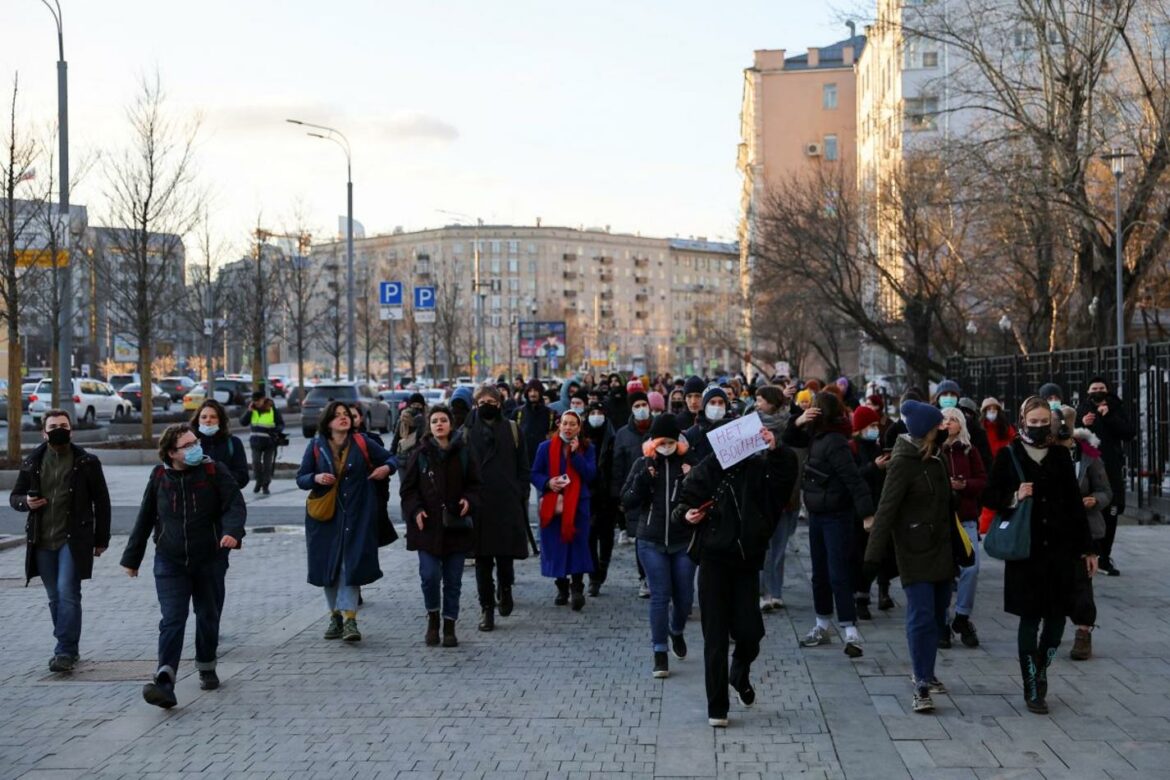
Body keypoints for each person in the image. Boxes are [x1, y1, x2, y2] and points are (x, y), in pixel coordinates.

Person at [673, 424, 798, 727]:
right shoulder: (709, 468)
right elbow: (682, 503)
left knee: (750, 632)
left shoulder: (760, 469)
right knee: (714, 638)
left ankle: (739, 672)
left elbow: (785, 480)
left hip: (746, 561)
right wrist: (687, 514)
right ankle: (717, 706)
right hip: (713, 561)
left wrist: (776, 448)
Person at [982, 396, 1096, 714]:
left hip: (1061, 552)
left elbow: (1074, 506)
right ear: (1022, 421)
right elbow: (989, 495)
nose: (1038, 426)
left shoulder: (1060, 456)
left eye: (1043, 421)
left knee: (1057, 622)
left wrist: (1088, 549)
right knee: (1030, 619)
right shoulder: (1009, 455)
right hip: (1026, 554)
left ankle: (1042, 670)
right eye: (1032, 422)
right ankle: (1032, 685)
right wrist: (1014, 496)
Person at [121, 423, 246, 708]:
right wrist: (132, 558)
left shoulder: (214, 472)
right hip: (170, 559)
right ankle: (165, 680)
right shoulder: (159, 477)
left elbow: (235, 506)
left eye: (195, 443)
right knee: (173, 619)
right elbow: (145, 517)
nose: (195, 448)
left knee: (207, 613)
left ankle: (206, 664)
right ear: (170, 453)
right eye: (187, 446)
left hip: (210, 557)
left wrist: (232, 532)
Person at [864, 401, 955, 714]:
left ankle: (927, 671)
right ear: (926, 430)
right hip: (914, 549)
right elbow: (886, 509)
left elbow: (947, 508)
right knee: (921, 614)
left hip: (942, 549)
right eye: (939, 426)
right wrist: (872, 559)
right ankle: (920, 683)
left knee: (939, 613)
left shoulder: (937, 458)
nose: (945, 429)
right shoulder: (903, 461)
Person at [11, 410, 112, 674]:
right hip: (42, 538)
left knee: (68, 592)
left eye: (63, 425)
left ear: (71, 430)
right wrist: (26, 502)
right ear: (44, 432)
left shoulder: (87, 462)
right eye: (53, 426)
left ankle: (64, 650)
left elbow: (101, 502)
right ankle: (69, 645)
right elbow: (15, 496)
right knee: (55, 596)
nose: (59, 429)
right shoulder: (33, 461)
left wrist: (101, 539)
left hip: (74, 538)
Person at [296, 401, 395, 643]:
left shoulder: (362, 443)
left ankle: (350, 619)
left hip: (357, 515)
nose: (343, 418)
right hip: (325, 518)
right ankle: (334, 616)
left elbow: (392, 459)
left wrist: (385, 469)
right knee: (328, 569)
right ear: (328, 422)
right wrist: (316, 477)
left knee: (348, 566)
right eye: (337, 415)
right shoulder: (316, 446)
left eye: (346, 415)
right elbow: (301, 478)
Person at [785, 392, 874, 657]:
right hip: (818, 515)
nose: (808, 411)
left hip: (836, 516)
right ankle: (822, 623)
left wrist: (867, 513)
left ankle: (849, 630)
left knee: (837, 573)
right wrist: (799, 420)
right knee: (820, 574)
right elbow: (789, 438)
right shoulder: (816, 436)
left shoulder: (834, 442)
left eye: (813, 408)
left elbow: (853, 479)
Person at [622, 412, 699, 678]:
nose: (665, 446)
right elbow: (627, 500)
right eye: (660, 442)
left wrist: (693, 477)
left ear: (678, 441)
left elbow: (704, 496)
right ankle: (659, 651)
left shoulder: (689, 463)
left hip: (682, 540)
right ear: (653, 442)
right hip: (651, 540)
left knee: (685, 598)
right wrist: (644, 478)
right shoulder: (644, 463)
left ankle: (676, 630)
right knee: (660, 595)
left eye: (670, 441)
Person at [401, 405, 481, 647]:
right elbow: (408, 489)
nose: (439, 424)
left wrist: (469, 499)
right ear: (429, 426)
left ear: (450, 424)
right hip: (427, 527)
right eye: (434, 421)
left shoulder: (464, 452)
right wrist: (415, 510)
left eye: (443, 420)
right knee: (429, 575)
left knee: (453, 580)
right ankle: (432, 618)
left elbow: (476, 485)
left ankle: (449, 625)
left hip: (456, 526)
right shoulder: (421, 453)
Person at [464, 386, 530, 632]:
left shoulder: (512, 429)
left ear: (500, 403)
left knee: (504, 557)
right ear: (475, 404)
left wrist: (521, 492)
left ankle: (505, 588)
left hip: (506, 501)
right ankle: (486, 608)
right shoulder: (466, 432)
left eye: (491, 400)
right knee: (482, 561)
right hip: (479, 503)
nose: (487, 404)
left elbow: (524, 465)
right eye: (482, 401)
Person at [1058, 406, 1111, 661]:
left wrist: (1094, 500)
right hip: (1054, 526)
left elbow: (1105, 491)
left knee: (1082, 580)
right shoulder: (1045, 451)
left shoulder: (1087, 452)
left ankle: (1083, 632)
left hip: (1085, 527)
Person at [531, 409, 597, 609]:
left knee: (578, 545)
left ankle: (577, 588)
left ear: (579, 428)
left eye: (573, 424)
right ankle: (561, 586)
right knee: (555, 546)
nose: (568, 427)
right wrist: (548, 482)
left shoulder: (587, 448)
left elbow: (590, 475)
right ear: (559, 425)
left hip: (578, 504)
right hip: (553, 504)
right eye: (565, 423)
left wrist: (576, 455)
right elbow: (534, 473)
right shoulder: (545, 447)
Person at [1075, 377, 1135, 576]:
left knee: (1111, 509)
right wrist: (1083, 423)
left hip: (1111, 467)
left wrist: (1108, 416)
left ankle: (1105, 556)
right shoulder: (1082, 409)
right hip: (1089, 467)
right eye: (1094, 388)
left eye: (1101, 388)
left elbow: (1128, 433)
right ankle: (1091, 553)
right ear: (1088, 392)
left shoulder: (1116, 407)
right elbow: (1073, 436)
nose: (1098, 391)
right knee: (1090, 509)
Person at [938, 407, 986, 649]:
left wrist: (964, 485)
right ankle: (942, 623)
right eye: (945, 419)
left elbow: (981, 480)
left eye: (953, 419)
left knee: (972, 567)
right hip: (942, 518)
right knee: (944, 572)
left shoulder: (969, 450)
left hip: (966, 517)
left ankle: (963, 616)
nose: (949, 424)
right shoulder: (935, 450)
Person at [755, 385, 800, 612]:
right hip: (760, 492)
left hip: (784, 493)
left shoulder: (789, 424)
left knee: (779, 547)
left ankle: (777, 591)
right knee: (763, 547)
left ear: (772, 402)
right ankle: (763, 592)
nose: (757, 404)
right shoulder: (751, 421)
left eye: (761, 400)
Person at [849, 404, 893, 619]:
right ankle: (860, 598)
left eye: (876, 425)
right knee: (859, 557)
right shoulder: (852, 447)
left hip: (876, 507)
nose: (875, 429)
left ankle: (865, 593)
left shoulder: (876, 447)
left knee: (873, 557)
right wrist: (873, 468)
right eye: (871, 425)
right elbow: (853, 476)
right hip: (857, 511)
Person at [582, 400, 618, 596]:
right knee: (588, 536)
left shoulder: (613, 435)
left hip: (608, 496)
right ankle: (593, 576)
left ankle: (602, 568)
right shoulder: (582, 435)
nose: (596, 415)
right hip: (587, 494)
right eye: (593, 412)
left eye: (599, 412)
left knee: (606, 537)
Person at [192, 399, 249, 489]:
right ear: (198, 420)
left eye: (213, 417)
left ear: (220, 420)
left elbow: (243, 477)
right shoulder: (190, 444)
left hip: (225, 499)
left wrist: (219, 475)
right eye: (204, 417)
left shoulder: (233, 443)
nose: (208, 420)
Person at [240, 391, 284, 495]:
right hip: (255, 442)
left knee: (267, 465)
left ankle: (265, 485)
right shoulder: (252, 409)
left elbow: (281, 424)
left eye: (258, 401)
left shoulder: (272, 409)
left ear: (263, 399)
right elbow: (243, 422)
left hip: (269, 442)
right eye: (254, 401)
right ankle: (258, 481)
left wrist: (276, 432)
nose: (256, 403)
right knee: (256, 463)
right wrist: (249, 411)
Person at [513, 379, 558, 466]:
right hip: (522, 461)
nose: (533, 394)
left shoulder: (551, 414)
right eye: (530, 391)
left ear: (541, 392)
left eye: (536, 391)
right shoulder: (518, 412)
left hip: (544, 461)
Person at [685, 386, 733, 462]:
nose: (717, 406)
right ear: (705, 406)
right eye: (712, 402)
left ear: (726, 406)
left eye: (721, 402)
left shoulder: (735, 429)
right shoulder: (692, 434)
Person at [392, 392, 428, 456]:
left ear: (423, 406)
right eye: (414, 404)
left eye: (419, 405)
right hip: (404, 453)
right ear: (410, 405)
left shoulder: (426, 419)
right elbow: (396, 439)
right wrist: (391, 454)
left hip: (421, 454)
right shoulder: (403, 418)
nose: (416, 407)